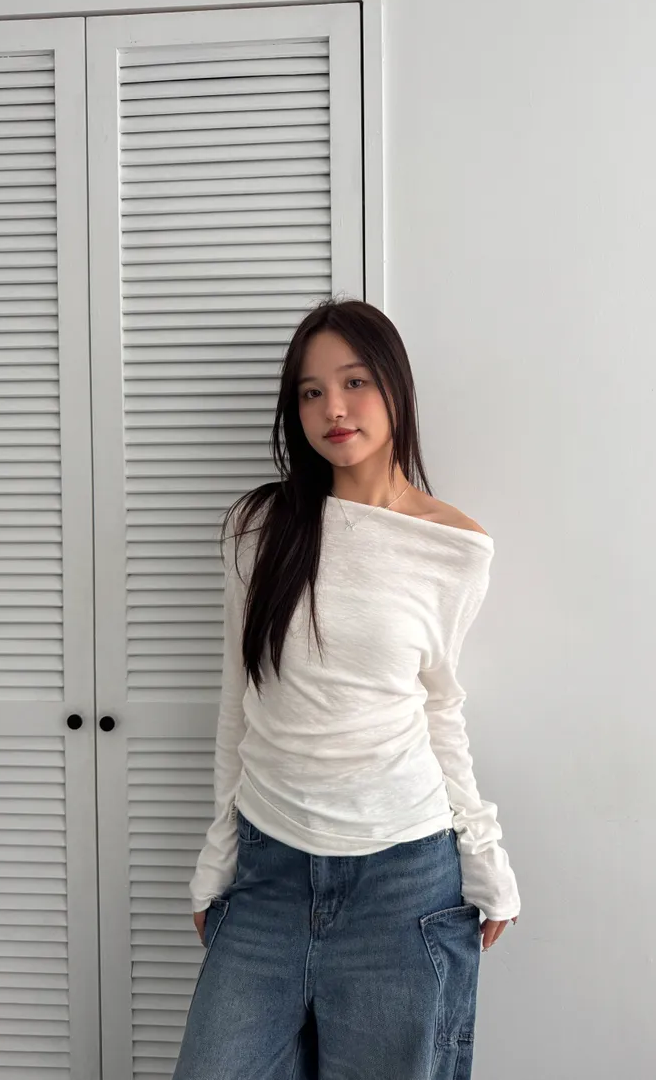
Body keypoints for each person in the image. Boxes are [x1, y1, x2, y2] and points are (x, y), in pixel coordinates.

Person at [172, 298, 520, 1080]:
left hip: (405, 881)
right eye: (311, 390)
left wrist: (484, 853)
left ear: (395, 386)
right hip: (268, 873)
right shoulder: (257, 527)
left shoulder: (456, 547)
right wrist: (216, 854)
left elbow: (439, 704)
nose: (333, 407)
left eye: (354, 381)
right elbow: (238, 700)